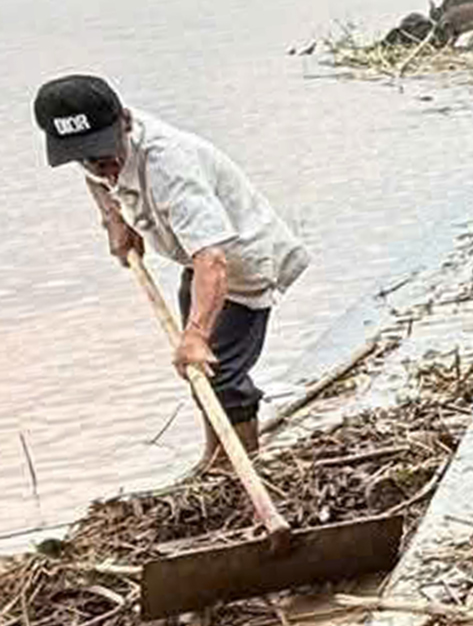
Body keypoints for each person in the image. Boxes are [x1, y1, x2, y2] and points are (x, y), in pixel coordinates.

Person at [35, 75, 311, 465]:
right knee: (198, 375)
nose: (103, 167)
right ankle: (215, 459)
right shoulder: (92, 159)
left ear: (124, 123)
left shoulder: (169, 164)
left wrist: (197, 334)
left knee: (222, 376)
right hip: (193, 261)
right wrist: (114, 220)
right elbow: (93, 176)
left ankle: (242, 471)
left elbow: (213, 260)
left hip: (237, 265)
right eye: (87, 156)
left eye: (105, 155)